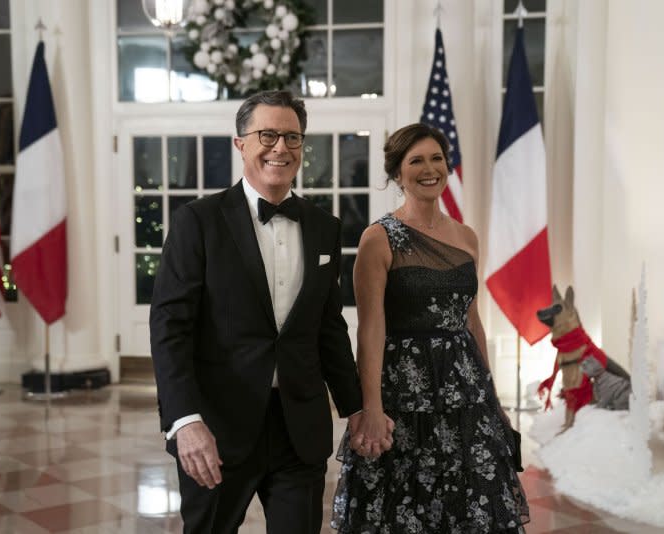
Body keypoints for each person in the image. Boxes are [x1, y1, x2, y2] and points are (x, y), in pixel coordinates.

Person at [149, 89, 391, 534]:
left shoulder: (324, 227)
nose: (281, 147)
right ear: (241, 143)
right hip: (217, 430)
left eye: (292, 137)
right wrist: (185, 420)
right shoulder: (197, 222)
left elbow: (327, 328)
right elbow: (170, 329)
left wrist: (355, 406)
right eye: (267, 135)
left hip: (299, 430)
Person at [332, 123, 530, 533]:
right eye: (416, 160)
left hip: (464, 393)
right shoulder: (378, 239)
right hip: (403, 395)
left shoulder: (466, 237)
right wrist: (371, 407)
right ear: (397, 173)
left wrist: (490, 396)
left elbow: (471, 319)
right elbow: (370, 330)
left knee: (469, 503)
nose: (429, 169)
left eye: (436, 158)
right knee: (405, 506)